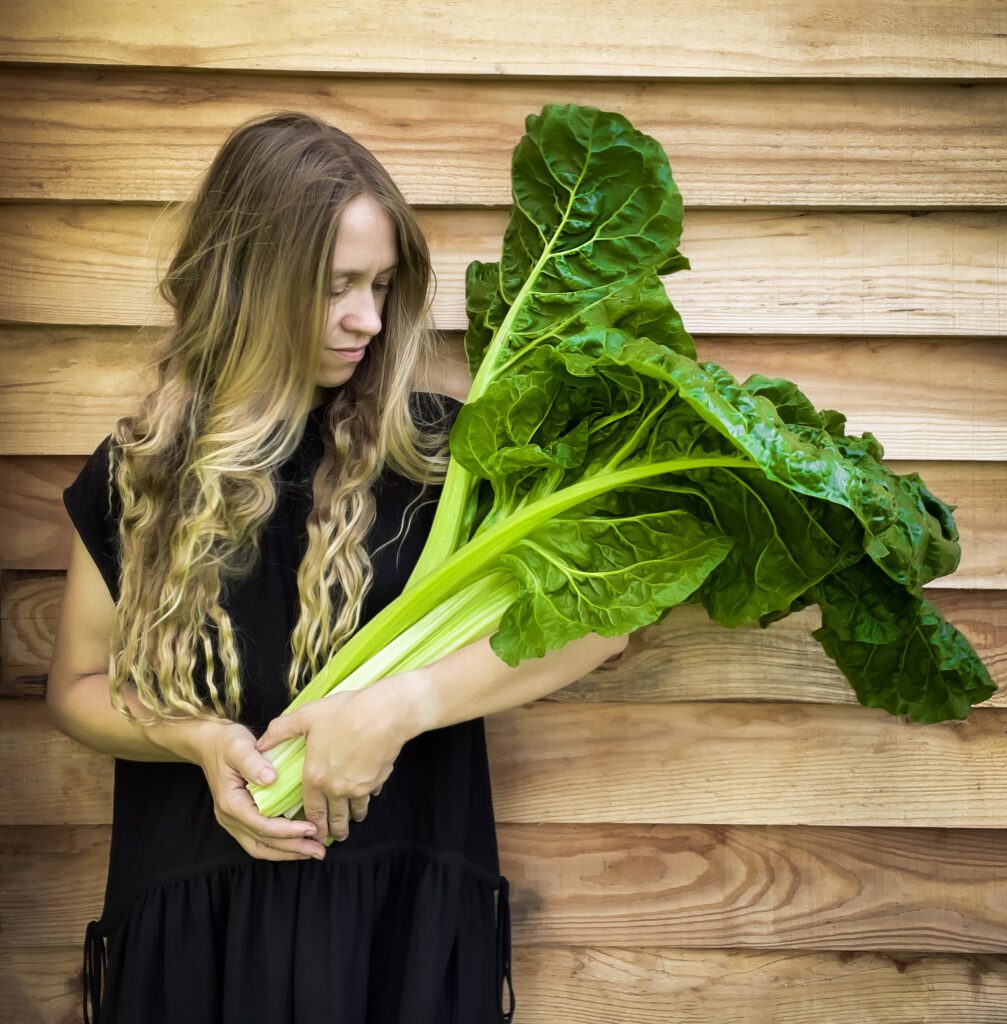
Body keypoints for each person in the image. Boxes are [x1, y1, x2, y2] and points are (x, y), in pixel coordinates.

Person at [47, 110, 628, 1024]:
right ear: (247, 283)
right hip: (198, 932)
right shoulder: (140, 473)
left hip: (400, 923)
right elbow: (76, 685)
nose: (369, 317)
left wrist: (403, 708)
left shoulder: (448, 456)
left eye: (384, 284)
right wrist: (192, 741)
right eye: (336, 286)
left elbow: (606, 615)